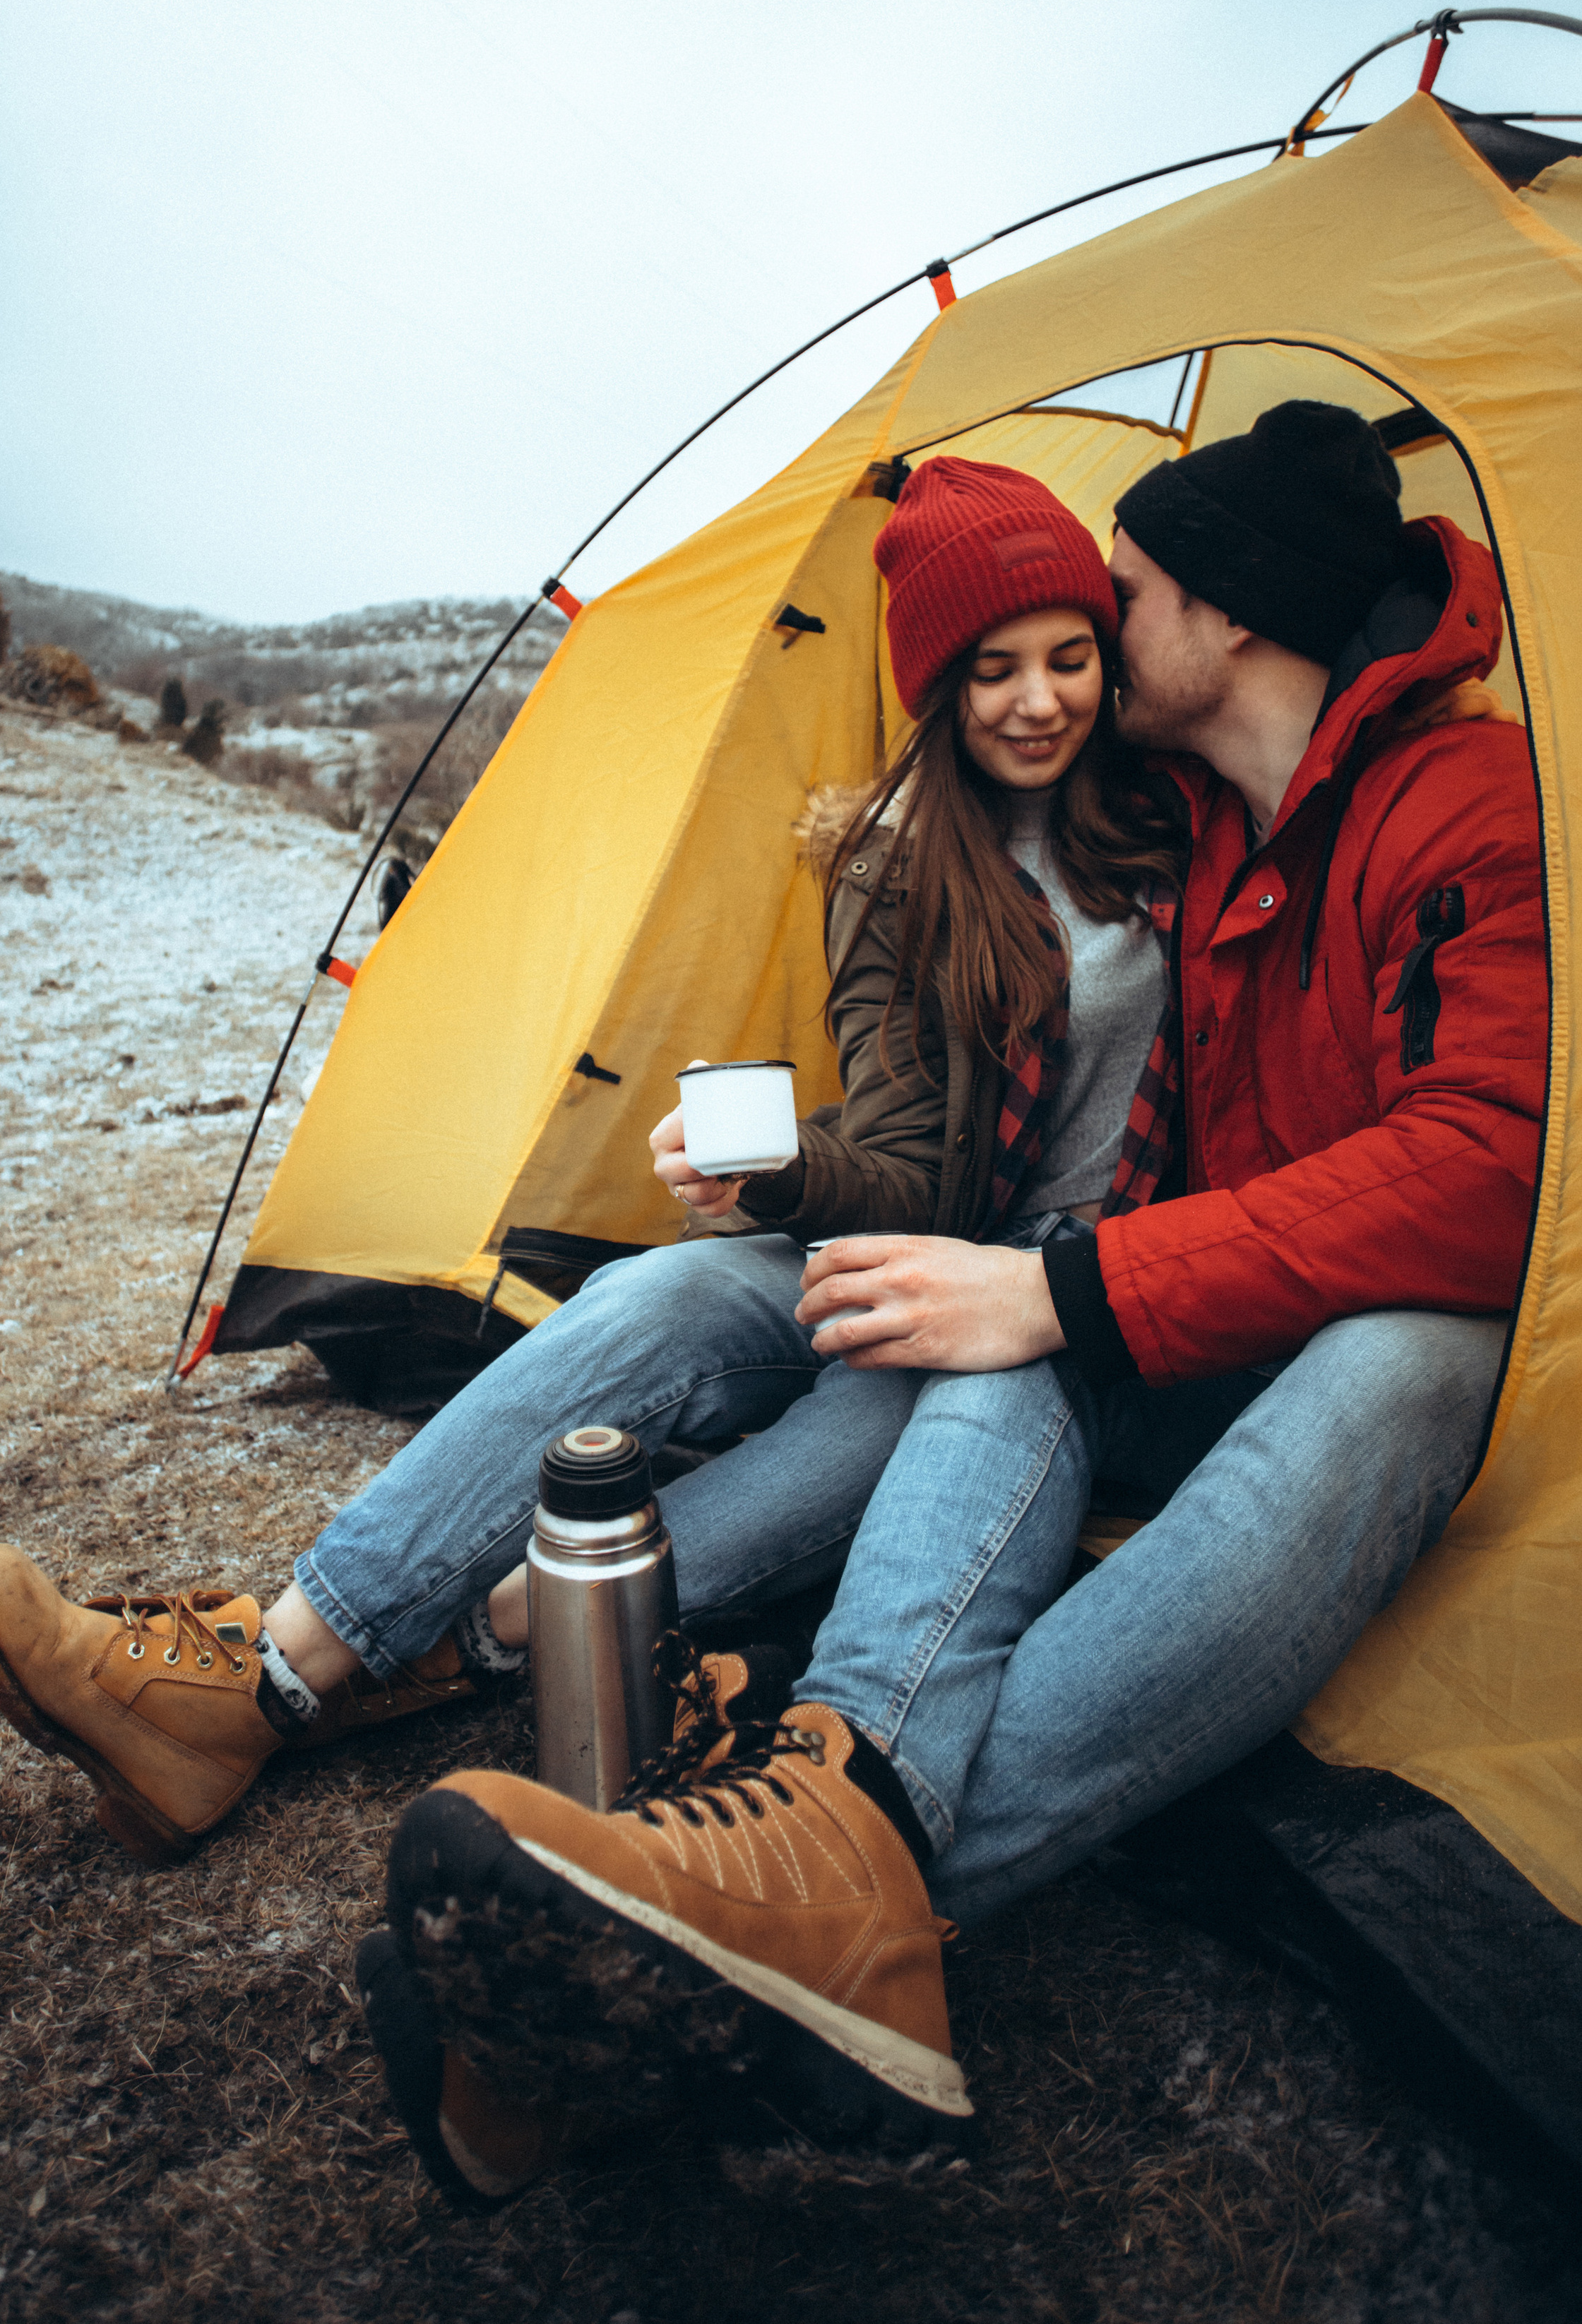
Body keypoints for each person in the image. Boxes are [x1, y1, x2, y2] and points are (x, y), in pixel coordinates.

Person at [374, 399, 1547, 2171]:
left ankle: (792, 1899)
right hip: (1195, 1317)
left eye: (1116, 597)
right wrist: (983, 1257)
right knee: (1015, 1307)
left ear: (1219, 615)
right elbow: (980, 1145)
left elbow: (1488, 1172)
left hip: (1356, 1347)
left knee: (1389, 1351)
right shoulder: (1201, 816)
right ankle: (817, 1824)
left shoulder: (1464, 801)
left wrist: (1069, 1288)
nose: (1077, 643)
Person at [0, 457, 1186, 1876]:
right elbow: (904, 1159)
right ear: (934, 688)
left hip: (1062, 1290)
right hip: (910, 1235)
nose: (1035, 701)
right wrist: (778, 1174)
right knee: (661, 1301)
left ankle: (405, 1662)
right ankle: (263, 1667)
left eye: (1066, 658)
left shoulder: (1175, 830)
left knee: (861, 1431)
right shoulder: (893, 868)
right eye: (990, 670)